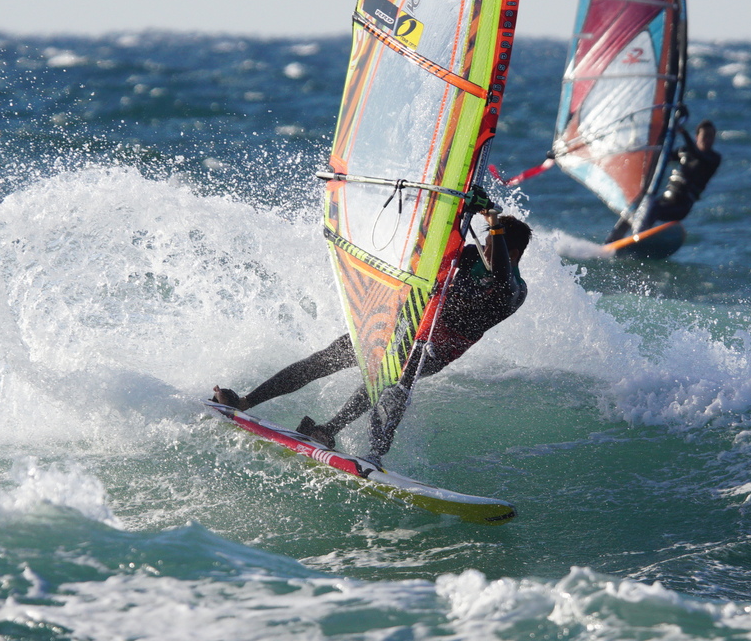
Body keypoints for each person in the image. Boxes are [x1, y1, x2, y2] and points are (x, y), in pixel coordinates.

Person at [213, 206, 532, 463]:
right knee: (327, 358)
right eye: (486, 243)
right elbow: (434, 248)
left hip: (432, 350)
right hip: (403, 326)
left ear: (513, 252)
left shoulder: (515, 291)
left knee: (382, 385)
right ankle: (246, 401)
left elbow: (501, 277)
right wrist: (457, 210)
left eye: (491, 245)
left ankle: (352, 444)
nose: (484, 249)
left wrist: (494, 226)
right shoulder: (475, 256)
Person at [605, 119, 722, 244]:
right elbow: (663, 156)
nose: (708, 140)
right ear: (697, 137)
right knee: (637, 206)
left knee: (652, 209)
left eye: (711, 136)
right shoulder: (684, 151)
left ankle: (638, 240)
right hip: (666, 199)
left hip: (681, 206)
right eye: (705, 136)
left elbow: (698, 155)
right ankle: (611, 242)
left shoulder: (713, 159)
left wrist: (683, 133)